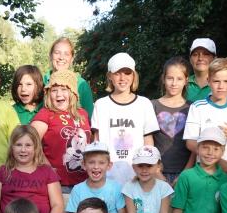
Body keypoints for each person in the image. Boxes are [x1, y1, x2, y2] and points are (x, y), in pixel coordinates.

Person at [91, 52, 160, 184]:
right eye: (117, 73)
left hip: (137, 176)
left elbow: (148, 143)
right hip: (108, 178)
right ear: (110, 76)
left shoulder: (144, 103)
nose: (122, 78)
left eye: (127, 73)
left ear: (134, 75)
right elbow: (96, 142)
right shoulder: (101, 104)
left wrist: (147, 170)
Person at [183, 57, 227, 175]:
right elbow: (190, 142)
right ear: (208, 80)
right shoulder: (197, 107)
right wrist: (218, 161)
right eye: (216, 81)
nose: (221, 86)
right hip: (203, 173)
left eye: (226, 81)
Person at [31, 69, 92, 190]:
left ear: (73, 93)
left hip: (86, 182)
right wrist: (47, 168)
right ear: (48, 94)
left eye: (64, 89)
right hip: (59, 184)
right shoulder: (46, 114)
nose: (59, 94)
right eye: (54, 90)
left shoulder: (83, 113)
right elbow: (30, 143)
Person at [152, 56, 195, 186]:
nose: (174, 83)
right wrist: (156, 173)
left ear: (186, 81)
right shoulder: (152, 105)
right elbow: (147, 142)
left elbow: (195, 146)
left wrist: (185, 173)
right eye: (170, 78)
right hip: (156, 172)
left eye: (179, 79)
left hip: (186, 173)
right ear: (163, 79)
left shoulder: (193, 108)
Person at [42, 37, 95, 117]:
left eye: (66, 54)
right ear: (50, 55)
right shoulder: (41, 81)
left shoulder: (81, 84)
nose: (61, 57)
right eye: (57, 53)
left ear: (72, 58)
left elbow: (89, 118)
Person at [185, 38, 227, 102]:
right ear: (190, 59)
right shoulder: (182, 84)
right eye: (195, 54)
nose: (200, 58)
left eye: (206, 54)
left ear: (215, 58)